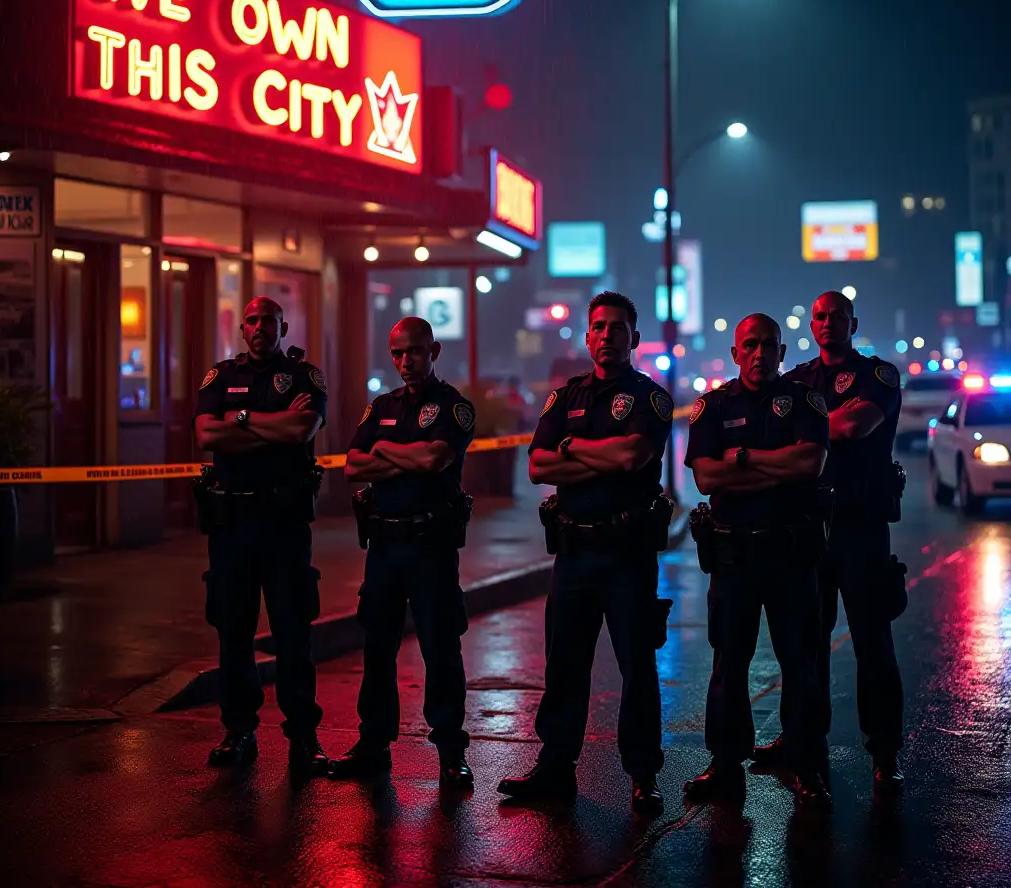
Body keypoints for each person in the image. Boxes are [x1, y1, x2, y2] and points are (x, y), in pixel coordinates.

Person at [497, 291, 675, 815]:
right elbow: (537, 467)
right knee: (564, 667)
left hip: (626, 555)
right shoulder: (564, 397)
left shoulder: (650, 398)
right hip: (572, 554)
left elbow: (633, 455)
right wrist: (596, 455)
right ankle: (555, 766)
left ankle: (643, 774)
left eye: (618, 328)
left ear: (633, 338)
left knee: (636, 668)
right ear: (588, 334)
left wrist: (572, 449)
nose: (607, 336)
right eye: (599, 327)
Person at [683, 313, 831, 807]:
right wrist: (778, 468)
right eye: (751, 344)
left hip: (791, 556)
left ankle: (805, 764)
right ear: (735, 353)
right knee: (728, 666)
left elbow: (809, 464)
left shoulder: (806, 401)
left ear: (782, 352)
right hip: (734, 558)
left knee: (800, 664)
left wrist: (743, 460)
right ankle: (724, 766)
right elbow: (705, 477)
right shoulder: (712, 407)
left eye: (769, 344)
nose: (760, 353)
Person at [760, 290, 905, 791]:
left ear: (853, 322)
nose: (826, 324)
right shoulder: (797, 379)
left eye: (836, 316)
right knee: (804, 647)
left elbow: (856, 423)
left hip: (861, 527)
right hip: (807, 529)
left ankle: (884, 752)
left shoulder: (878, 375)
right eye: (819, 317)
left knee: (873, 644)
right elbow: (772, 433)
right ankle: (799, 742)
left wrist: (803, 432)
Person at [328, 317, 476, 789]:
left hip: (430, 545)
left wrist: (385, 452)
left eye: (413, 352)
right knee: (376, 648)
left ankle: (451, 752)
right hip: (385, 545)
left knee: (440, 649)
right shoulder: (383, 407)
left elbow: (436, 460)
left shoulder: (453, 406)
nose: (405, 362)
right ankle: (373, 743)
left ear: (433, 351)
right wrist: (404, 453)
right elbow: (352, 465)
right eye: (396, 354)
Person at [193, 296, 328, 775]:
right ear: (241, 329)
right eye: (251, 321)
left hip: (284, 523)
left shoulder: (304, 376)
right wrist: (271, 424)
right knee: (234, 630)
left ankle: (303, 738)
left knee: (294, 631)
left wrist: (241, 420)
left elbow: (301, 428)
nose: (259, 328)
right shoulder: (220, 375)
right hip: (231, 524)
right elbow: (206, 435)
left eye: (268, 321)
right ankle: (239, 730)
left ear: (282, 327)